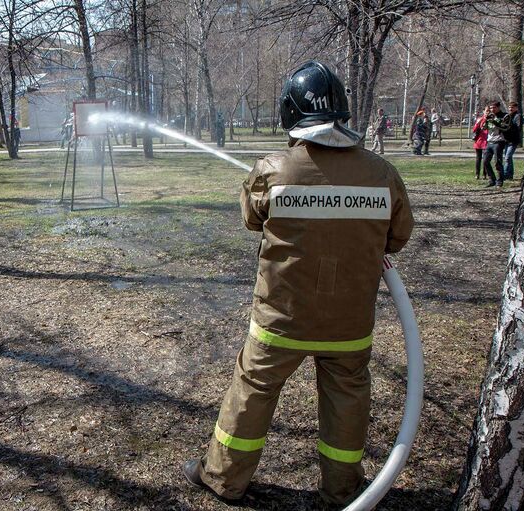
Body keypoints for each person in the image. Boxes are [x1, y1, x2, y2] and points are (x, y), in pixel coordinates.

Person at [182, 60, 414, 510]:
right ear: (343, 112)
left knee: (252, 391)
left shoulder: (272, 169)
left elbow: (253, 220)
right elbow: (398, 237)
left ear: (290, 112)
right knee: (347, 399)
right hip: (349, 324)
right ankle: (342, 492)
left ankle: (222, 478)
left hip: (281, 321)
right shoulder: (382, 173)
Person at [482, 101, 510, 188]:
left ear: (498, 107)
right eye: (490, 108)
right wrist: (485, 119)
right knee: (485, 161)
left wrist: (494, 120)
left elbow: (505, 127)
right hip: (489, 141)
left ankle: (500, 181)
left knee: (498, 162)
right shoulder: (489, 116)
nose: (492, 109)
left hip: (499, 141)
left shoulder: (505, 116)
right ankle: (492, 179)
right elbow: (483, 127)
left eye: (494, 107)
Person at [503, 102, 522, 181]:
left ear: (516, 108)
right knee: (508, 158)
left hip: (513, 140)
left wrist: (509, 127)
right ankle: (510, 174)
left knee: (507, 157)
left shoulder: (518, 116)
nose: (510, 109)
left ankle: (505, 174)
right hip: (507, 140)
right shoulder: (508, 116)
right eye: (509, 107)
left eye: (512, 107)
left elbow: (518, 127)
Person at [472, 109, 489, 180]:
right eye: (487, 111)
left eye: (489, 111)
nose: (488, 112)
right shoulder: (480, 119)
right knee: (478, 158)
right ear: (484, 111)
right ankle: (477, 174)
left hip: (487, 141)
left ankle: (484, 174)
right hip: (479, 141)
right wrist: (478, 123)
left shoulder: (493, 119)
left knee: (485, 159)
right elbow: (474, 130)